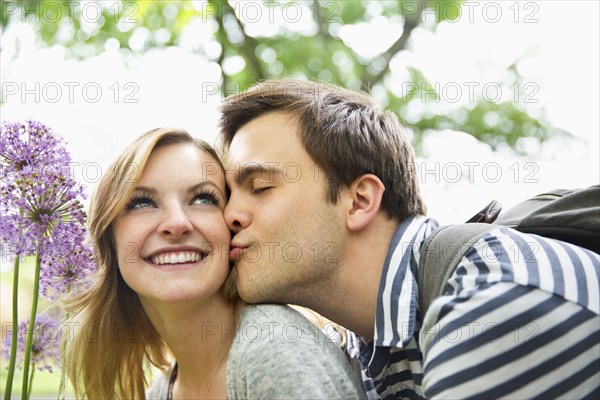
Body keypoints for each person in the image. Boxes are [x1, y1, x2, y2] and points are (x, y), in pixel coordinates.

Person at [220, 79, 600, 399]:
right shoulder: (367, 357)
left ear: (359, 201)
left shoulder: (498, 295)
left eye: (260, 186)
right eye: (226, 195)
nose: (228, 215)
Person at [65, 128, 367, 399]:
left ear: (231, 229)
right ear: (110, 242)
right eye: (142, 203)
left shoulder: (273, 353)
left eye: (203, 199)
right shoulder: (162, 391)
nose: (177, 223)